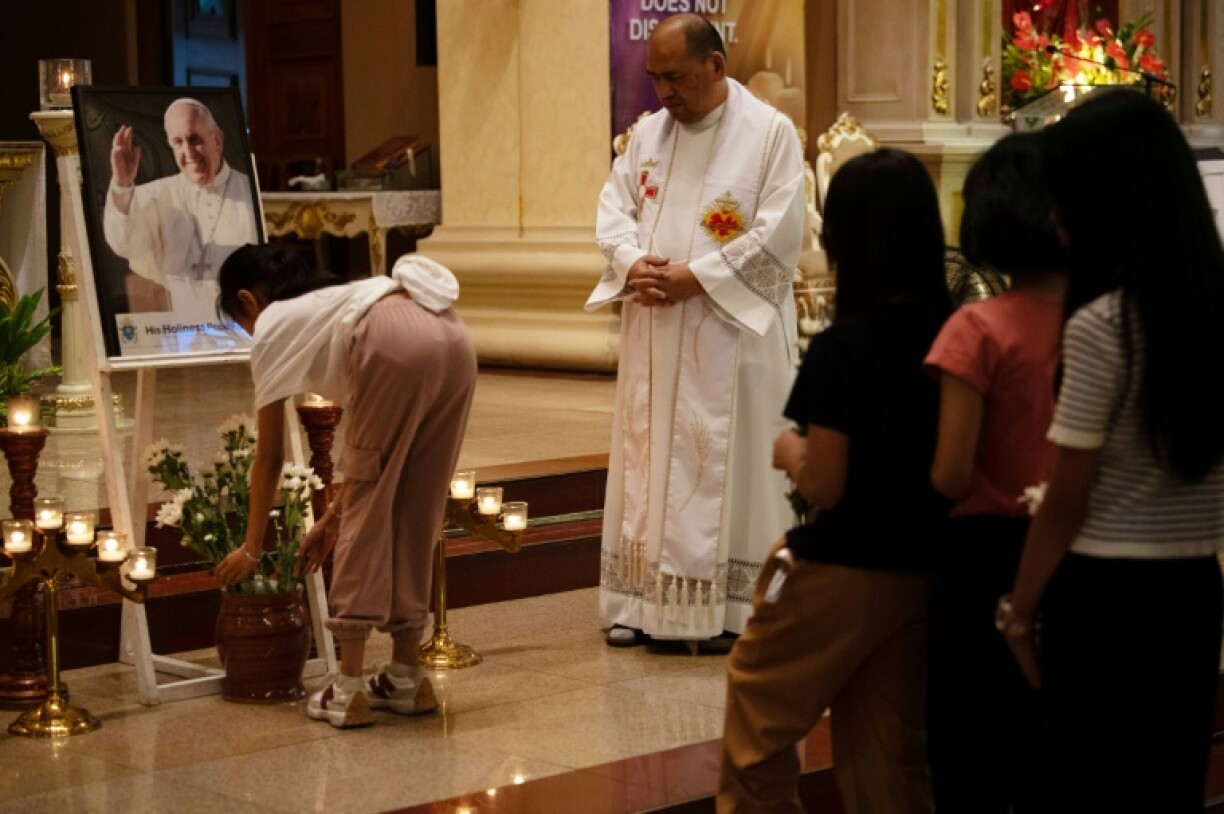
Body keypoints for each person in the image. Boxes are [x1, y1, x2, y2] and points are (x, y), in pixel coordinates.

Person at [1000, 89, 1224, 812]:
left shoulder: (1103, 324)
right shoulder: (1209, 310)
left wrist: (1019, 608)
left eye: (1065, 196)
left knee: (1091, 789)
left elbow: (1067, 497)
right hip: (1194, 590)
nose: (1057, 219)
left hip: (1105, 598)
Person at [719, 149, 952, 814]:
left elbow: (825, 483)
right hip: (921, 567)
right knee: (886, 749)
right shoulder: (953, 330)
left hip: (843, 568)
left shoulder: (847, 347)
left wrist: (789, 450)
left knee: (756, 727)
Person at [587, 13, 805, 650]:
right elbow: (613, 212)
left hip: (733, 335)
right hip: (657, 331)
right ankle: (640, 601)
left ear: (716, 65)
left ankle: (731, 612)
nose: (665, 94)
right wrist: (634, 264)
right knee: (649, 464)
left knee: (725, 467)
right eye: (655, 80)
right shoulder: (648, 136)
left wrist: (698, 277)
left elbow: (780, 232)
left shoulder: (770, 135)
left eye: (676, 78)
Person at [212, 244, 476, 729]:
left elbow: (269, 457)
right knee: (417, 507)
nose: (246, 333)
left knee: (370, 514)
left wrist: (252, 548)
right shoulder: (340, 297)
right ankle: (404, 676)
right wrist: (328, 520)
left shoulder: (272, 327)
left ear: (247, 302)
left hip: (392, 341)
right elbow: (370, 470)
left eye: (238, 322)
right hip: (456, 338)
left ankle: (348, 685)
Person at [922, 132, 1066, 813]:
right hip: (1073, 548)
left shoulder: (977, 329)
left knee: (972, 747)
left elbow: (951, 473)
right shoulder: (1102, 321)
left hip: (985, 556)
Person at [104, 97, 258, 315]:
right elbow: (124, 244)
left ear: (217, 140)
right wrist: (122, 185)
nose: (189, 152)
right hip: (175, 322)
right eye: (178, 142)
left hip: (239, 317)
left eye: (194, 139)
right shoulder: (154, 195)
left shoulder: (250, 192)